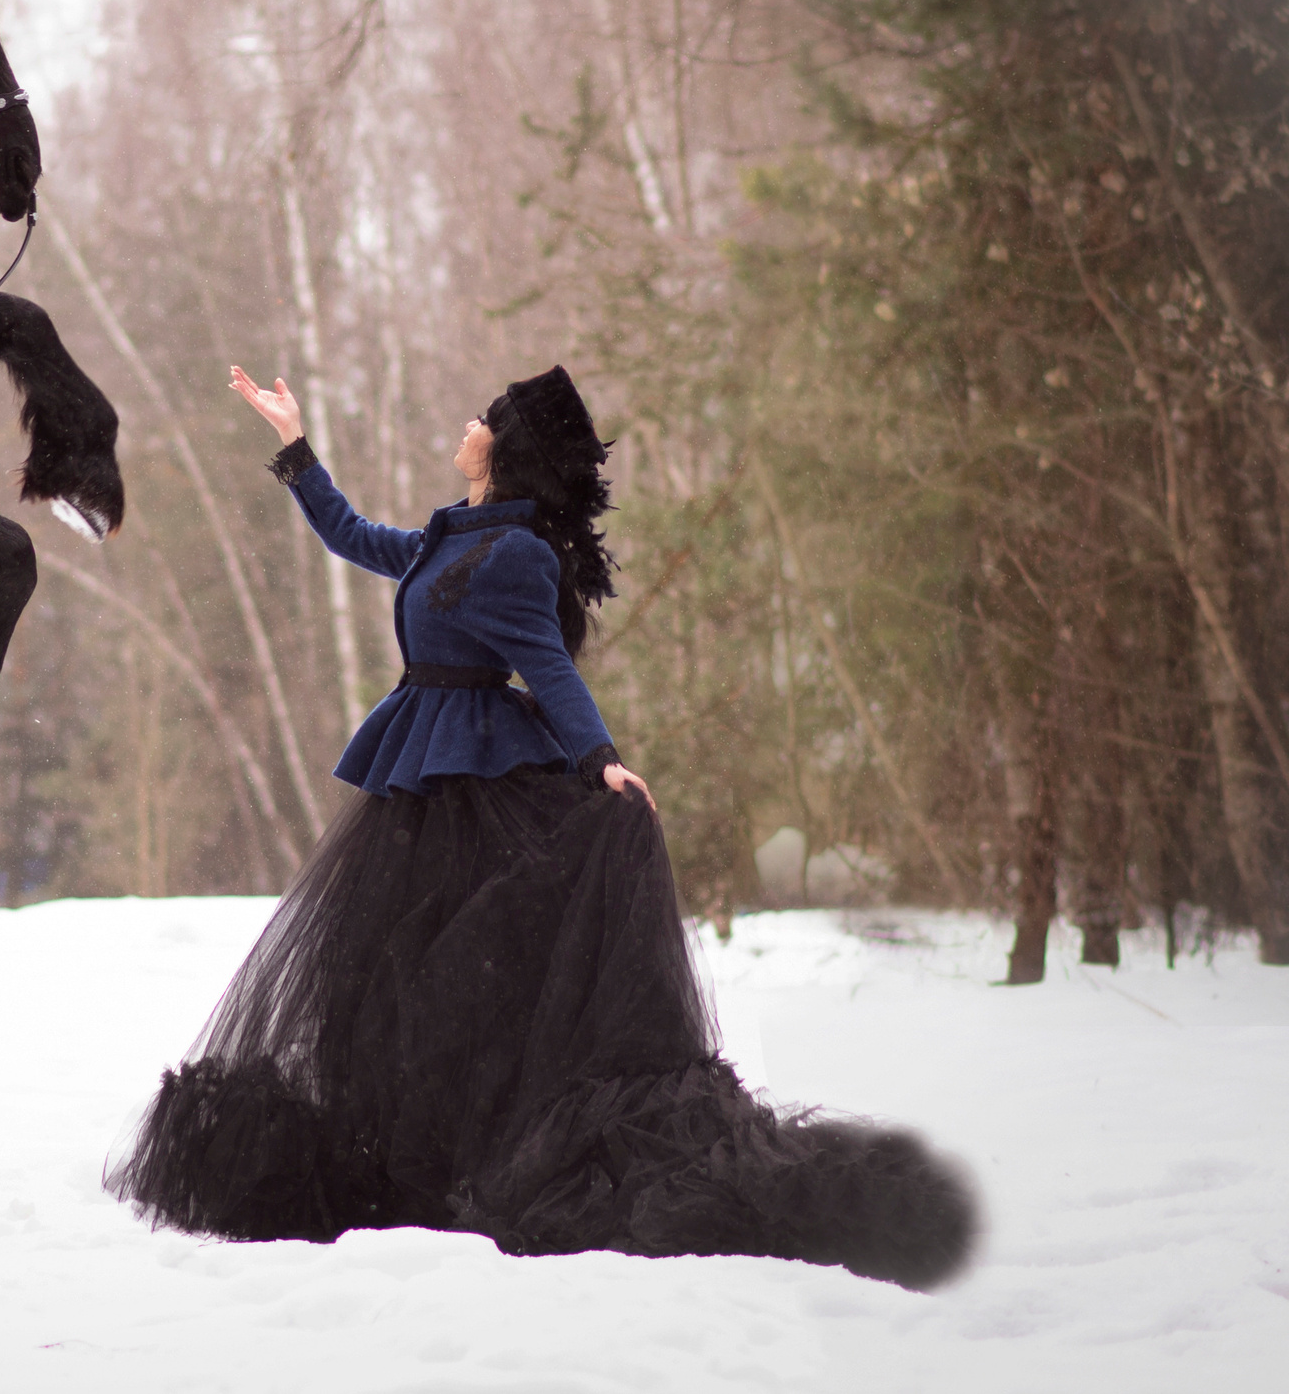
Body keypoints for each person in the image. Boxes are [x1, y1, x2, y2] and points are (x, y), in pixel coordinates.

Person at [106, 365, 977, 1289]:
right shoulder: (454, 531)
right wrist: (294, 445)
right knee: (389, 984)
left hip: (477, 783)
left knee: (456, 983)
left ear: (505, 445)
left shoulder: (518, 553)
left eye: (483, 417)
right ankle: (414, 1153)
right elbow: (354, 536)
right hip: (421, 779)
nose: (467, 423)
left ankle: (473, 1158)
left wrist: (601, 758)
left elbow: (548, 666)